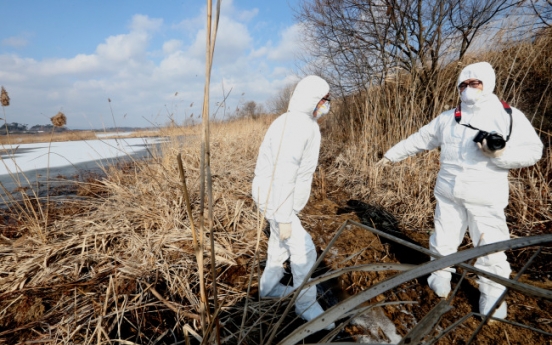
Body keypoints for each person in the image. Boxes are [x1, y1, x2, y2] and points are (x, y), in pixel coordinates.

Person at [377, 62, 543, 319]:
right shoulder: (447, 118)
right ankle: (439, 276)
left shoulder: (508, 115)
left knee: (491, 247)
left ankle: (493, 297)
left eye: (474, 83)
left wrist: (500, 154)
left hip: (485, 197)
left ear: (487, 83)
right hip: (448, 193)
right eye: (462, 85)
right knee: (443, 238)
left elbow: (534, 151)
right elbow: (420, 139)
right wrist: (390, 156)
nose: (467, 89)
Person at [252, 75, 334, 329]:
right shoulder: (297, 126)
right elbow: (285, 173)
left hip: (277, 198)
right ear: (312, 99)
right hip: (276, 198)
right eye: (324, 100)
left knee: (279, 245)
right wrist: (284, 216)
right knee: (304, 251)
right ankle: (306, 305)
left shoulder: (300, 122)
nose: (326, 105)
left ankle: (269, 288)